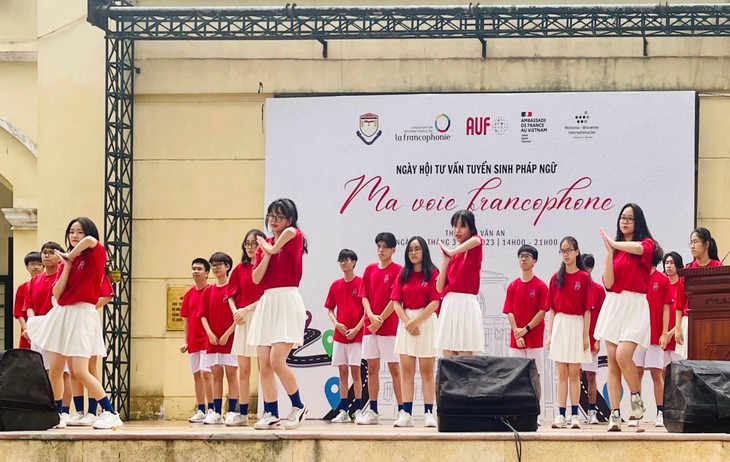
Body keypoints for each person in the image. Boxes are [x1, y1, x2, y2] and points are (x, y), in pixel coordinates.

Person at [26, 217, 123, 429]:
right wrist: (67, 265)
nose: (74, 235)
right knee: (55, 369)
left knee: (80, 369)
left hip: (82, 313)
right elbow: (58, 294)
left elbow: (89, 240)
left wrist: (70, 255)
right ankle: (59, 414)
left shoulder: (96, 254)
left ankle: (109, 411)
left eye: (78, 231)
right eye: (71, 232)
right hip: (62, 314)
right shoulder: (64, 265)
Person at [247, 198, 308, 430]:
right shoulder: (266, 247)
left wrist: (270, 248)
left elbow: (287, 235)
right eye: (271, 215)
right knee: (264, 363)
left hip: (287, 299)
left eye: (279, 216)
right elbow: (256, 279)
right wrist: (268, 252)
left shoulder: (294, 235)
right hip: (267, 302)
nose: (273, 220)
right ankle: (271, 412)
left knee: (276, 360)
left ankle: (298, 406)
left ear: (289, 219)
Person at [594, 203, 656, 432]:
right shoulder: (616, 250)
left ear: (637, 222)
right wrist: (610, 253)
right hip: (614, 305)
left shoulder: (646, 244)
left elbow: (639, 249)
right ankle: (614, 414)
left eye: (630, 218)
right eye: (622, 217)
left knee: (623, 354)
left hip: (636, 305)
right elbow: (609, 283)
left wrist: (613, 243)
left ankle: (636, 396)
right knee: (612, 363)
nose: (625, 221)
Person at [392, 237, 440, 428]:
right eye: (410, 249)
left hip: (426, 322)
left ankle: (429, 412)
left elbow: (435, 302)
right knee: (406, 370)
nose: (413, 252)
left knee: (427, 370)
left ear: (424, 251)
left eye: (417, 249)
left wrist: (416, 321)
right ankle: (406, 413)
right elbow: (396, 302)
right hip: (406, 324)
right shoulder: (402, 274)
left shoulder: (433, 273)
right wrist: (407, 323)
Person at [356, 232, 403, 425]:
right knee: (372, 369)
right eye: (378, 246)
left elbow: (396, 299)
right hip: (370, 328)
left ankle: (403, 410)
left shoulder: (399, 270)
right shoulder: (369, 269)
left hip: (389, 328)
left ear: (393, 249)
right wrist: (371, 317)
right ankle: (373, 410)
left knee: (394, 368)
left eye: (385, 247)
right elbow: (364, 296)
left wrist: (381, 319)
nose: (381, 250)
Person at [546, 237, 592, 429]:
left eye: (568, 250)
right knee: (561, 373)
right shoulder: (556, 278)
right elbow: (552, 309)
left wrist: (585, 335)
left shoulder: (583, 277)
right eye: (562, 251)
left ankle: (575, 415)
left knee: (574, 372)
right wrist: (549, 335)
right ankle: (561, 414)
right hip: (560, 324)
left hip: (576, 324)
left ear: (576, 252)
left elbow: (588, 309)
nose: (565, 254)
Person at [25, 243, 72, 422]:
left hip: (58, 325)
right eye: (44, 253)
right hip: (39, 326)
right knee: (44, 371)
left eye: (51, 253)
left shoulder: (62, 277)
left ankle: (65, 411)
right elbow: (28, 306)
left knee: (63, 371)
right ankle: (48, 408)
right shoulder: (35, 281)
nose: (46, 256)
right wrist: (31, 325)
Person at [503, 244, 548, 425]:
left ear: (534, 261)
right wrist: (517, 332)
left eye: (528, 256)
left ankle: (534, 412)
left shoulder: (541, 286)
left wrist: (526, 329)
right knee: (515, 376)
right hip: (517, 341)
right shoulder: (513, 286)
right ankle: (516, 413)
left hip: (534, 339)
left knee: (535, 376)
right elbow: (510, 311)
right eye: (521, 255)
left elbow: (542, 312)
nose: (524, 258)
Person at [227, 230, 266, 426]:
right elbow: (230, 295)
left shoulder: (266, 267)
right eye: (247, 243)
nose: (250, 247)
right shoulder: (238, 269)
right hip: (242, 321)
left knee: (264, 368)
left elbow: (268, 296)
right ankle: (242, 414)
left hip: (261, 318)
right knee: (243, 370)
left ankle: (269, 411)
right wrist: (236, 312)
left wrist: (247, 309)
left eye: (254, 243)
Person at [631, 244, 671, 428]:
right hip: (638, 334)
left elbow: (666, 307)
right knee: (636, 372)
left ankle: (660, 413)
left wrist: (664, 332)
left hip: (655, 336)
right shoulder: (635, 278)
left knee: (656, 373)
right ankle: (636, 413)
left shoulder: (662, 280)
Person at [435, 210, 485, 356]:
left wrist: (451, 252)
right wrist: (445, 261)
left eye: (462, 226)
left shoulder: (475, 245)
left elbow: (477, 240)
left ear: (470, 228)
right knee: (448, 352)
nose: (457, 230)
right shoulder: (453, 256)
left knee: (464, 353)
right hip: (450, 303)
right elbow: (439, 288)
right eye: (454, 226)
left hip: (466, 303)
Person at [325, 249, 365, 424]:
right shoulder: (335, 285)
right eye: (340, 260)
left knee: (356, 372)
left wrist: (357, 329)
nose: (343, 263)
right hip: (340, 336)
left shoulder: (362, 283)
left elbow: (367, 311)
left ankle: (358, 410)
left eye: (346, 260)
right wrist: (336, 324)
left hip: (356, 336)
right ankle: (343, 411)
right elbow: (329, 309)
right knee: (342, 372)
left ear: (354, 262)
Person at [200, 252, 238, 425]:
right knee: (216, 375)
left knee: (231, 374)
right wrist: (209, 332)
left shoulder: (234, 288)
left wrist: (228, 333)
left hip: (229, 339)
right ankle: (216, 411)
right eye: (213, 265)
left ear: (227, 266)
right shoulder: (208, 290)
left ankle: (232, 411)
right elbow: (203, 315)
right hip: (213, 340)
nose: (215, 268)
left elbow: (238, 316)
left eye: (219, 265)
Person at [675, 227, 722, 357]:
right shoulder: (687, 270)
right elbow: (679, 303)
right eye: (691, 242)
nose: (692, 246)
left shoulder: (718, 268)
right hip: (688, 321)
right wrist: (678, 328)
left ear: (706, 244)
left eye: (696, 242)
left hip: (712, 322)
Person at [179, 258, 214, 424]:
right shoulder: (189, 294)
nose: (195, 271)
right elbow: (185, 320)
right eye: (193, 268)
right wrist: (186, 341)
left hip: (207, 341)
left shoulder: (212, 291)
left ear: (207, 273)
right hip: (193, 342)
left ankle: (213, 409)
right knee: (196, 376)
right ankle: (201, 409)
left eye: (199, 269)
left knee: (206, 374)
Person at [581, 253, 605, 425]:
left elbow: (602, 317)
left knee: (590, 376)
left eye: (585, 267)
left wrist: (597, 339)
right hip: (575, 339)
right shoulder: (574, 287)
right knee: (572, 375)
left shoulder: (598, 290)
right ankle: (572, 410)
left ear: (590, 268)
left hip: (591, 339)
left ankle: (591, 411)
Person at [14, 251, 42, 349]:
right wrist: (27, 329)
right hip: (27, 328)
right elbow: (18, 313)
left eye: (39, 264)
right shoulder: (22, 287)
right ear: (27, 266)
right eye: (33, 264)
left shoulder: (47, 285)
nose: (36, 267)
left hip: (43, 326)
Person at [663, 252, 687, 360]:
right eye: (666, 263)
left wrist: (671, 333)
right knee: (662, 372)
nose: (668, 265)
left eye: (672, 263)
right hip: (664, 337)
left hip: (678, 335)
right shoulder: (662, 286)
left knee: (679, 373)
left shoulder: (684, 285)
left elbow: (684, 313)